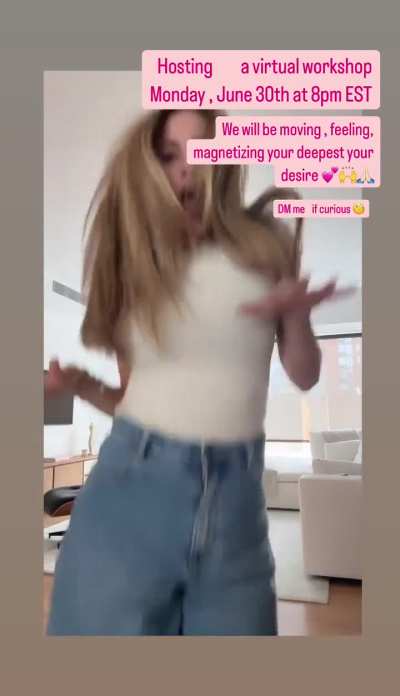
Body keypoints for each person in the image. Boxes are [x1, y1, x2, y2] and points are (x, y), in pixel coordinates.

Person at [45, 109, 354, 636]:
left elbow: (304, 377)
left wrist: (298, 316)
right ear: (146, 168)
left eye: (201, 151)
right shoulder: (137, 265)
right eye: (169, 155)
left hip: (236, 515)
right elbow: (131, 398)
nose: (186, 168)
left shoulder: (268, 245)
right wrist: (80, 385)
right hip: (129, 492)